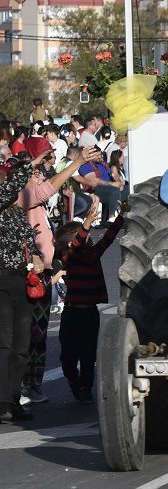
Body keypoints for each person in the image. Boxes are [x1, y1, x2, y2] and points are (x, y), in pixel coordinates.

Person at [17, 144, 101, 404]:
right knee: (24, 335)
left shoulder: (36, 204)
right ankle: (19, 386)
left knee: (39, 335)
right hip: (27, 275)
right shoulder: (24, 197)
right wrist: (76, 164)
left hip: (44, 275)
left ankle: (33, 385)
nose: (41, 176)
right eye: (36, 173)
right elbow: (49, 187)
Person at [0, 151, 52, 422]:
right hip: (2, 280)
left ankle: (11, 400)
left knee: (21, 346)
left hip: (23, 281)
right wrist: (30, 165)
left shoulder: (18, 216)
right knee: (4, 345)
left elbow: (30, 246)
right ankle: (1, 402)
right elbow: (8, 189)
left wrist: (37, 260)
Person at [54, 203, 122, 402]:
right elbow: (76, 246)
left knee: (88, 355)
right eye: (84, 235)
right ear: (70, 243)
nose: (90, 237)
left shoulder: (93, 254)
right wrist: (87, 224)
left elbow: (109, 237)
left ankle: (86, 388)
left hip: (89, 314)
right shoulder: (69, 257)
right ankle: (74, 382)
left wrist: (122, 216)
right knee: (67, 356)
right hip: (71, 313)